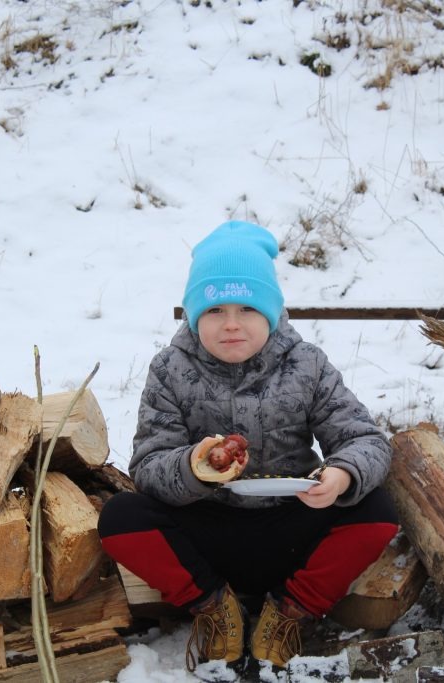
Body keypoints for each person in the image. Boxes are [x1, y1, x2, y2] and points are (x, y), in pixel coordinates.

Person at [97, 220, 398, 674]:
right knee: (121, 518)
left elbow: (364, 439)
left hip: (293, 526)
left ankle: (290, 612)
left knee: (377, 510)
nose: (232, 324)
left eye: (247, 309)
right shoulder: (169, 370)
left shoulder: (306, 364)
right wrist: (194, 468)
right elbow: (149, 465)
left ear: (271, 313)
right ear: (195, 314)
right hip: (207, 532)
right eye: (216, 310)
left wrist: (340, 476)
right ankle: (215, 608)